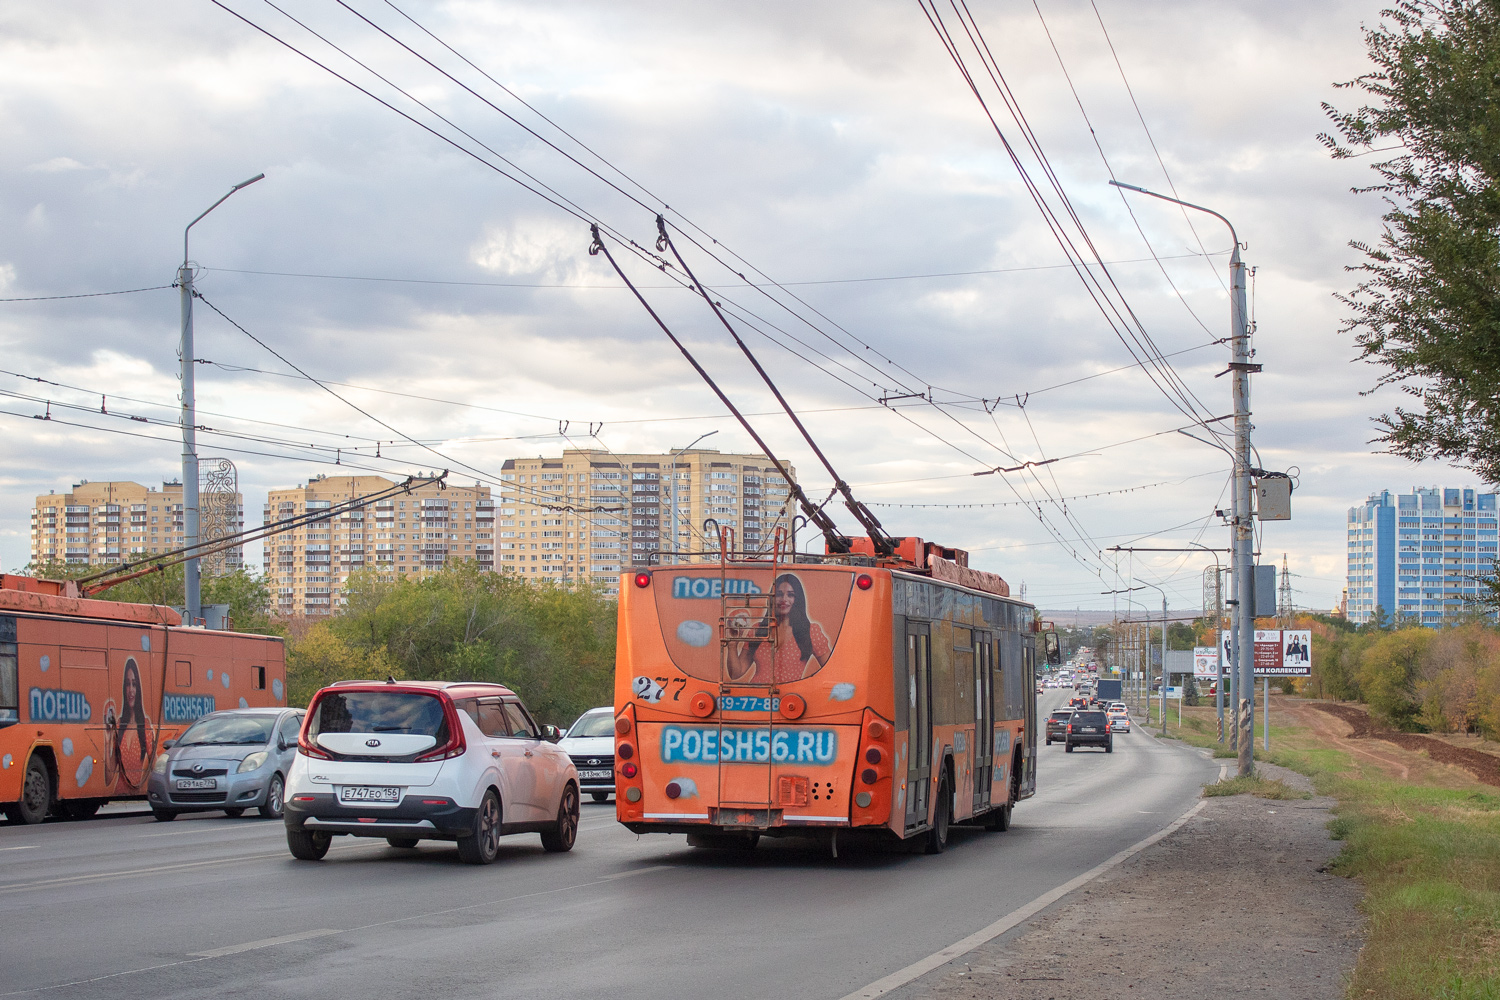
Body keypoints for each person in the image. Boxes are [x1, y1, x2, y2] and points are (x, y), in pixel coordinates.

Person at [726, 573, 831, 684]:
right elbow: (735, 674)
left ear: (797, 599)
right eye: (779, 594)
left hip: (789, 699)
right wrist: (732, 645)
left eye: (790, 595)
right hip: (757, 698)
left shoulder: (810, 631)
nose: (784, 599)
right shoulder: (757, 630)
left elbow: (831, 670)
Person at [110, 658, 152, 790]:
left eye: (134, 684)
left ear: (138, 688)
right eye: (128, 684)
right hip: (118, 789)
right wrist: (107, 740)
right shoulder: (119, 724)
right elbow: (109, 775)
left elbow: (156, 767)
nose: (131, 690)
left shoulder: (145, 726)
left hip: (137, 788)